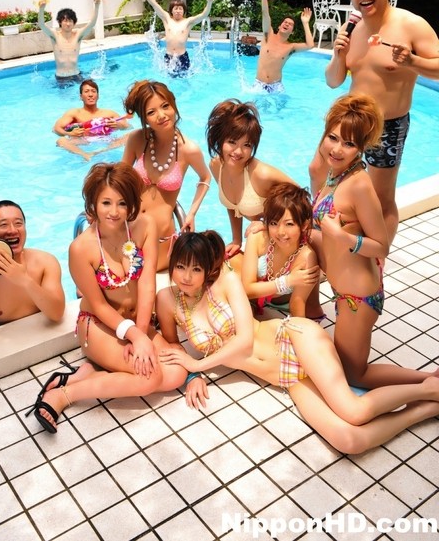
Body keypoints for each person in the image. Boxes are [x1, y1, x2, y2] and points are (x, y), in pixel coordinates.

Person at [156, 231, 439, 455]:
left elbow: (243, 341)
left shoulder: (225, 282)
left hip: (293, 338)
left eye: (195, 269)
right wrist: (193, 375)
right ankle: (427, 408)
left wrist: (199, 363)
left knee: (354, 410)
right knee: (349, 441)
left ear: (207, 269)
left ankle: (428, 387)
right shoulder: (168, 300)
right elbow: (172, 345)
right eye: (180, 267)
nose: (186, 276)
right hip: (286, 376)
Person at [27, 162, 187, 433]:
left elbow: (147, 282)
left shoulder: (144, 226)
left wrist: (141, 330)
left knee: (177, 372)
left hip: (136, 320)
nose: (114, 212)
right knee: (150, 378)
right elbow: (99, 305)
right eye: (106, 203)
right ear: (93, 204)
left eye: (122, 203)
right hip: (98, 325)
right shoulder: (81, 249)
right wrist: (135, 337)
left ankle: (90, 372)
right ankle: (63, 396)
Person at [309, 0, 439, 243]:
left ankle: (378, 255)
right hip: (349, 120)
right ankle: (320, 230)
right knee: (317, 169)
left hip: (387, 124)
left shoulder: (411, 24)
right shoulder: (350, 27)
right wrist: (337, 54)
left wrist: (412, 61)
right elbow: (333, 81)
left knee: (380, 197)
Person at [311, 94, 435, 388]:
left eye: (349, 144)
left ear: (362, 148)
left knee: (355, 375)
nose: (338, 149)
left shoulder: (359, 186)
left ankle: (430, 382)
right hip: (344, 291)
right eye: (333, 138)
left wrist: (342, 237)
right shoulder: (334, 173)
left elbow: (381, 246)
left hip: (359, 298)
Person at [122, 80, 211, 271]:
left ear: (173, 105)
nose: (161, 115)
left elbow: (205, 178)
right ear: (144, 118)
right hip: (127, 231)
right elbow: (118, 180)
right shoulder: (137, 139)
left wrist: (191, 213)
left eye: (165, 106)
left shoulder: (188, 149)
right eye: (151, 112)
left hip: (160, 240)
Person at [0, 200, 65, 344]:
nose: (13, 230)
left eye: (18, 223)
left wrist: (25, 280)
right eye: (3, 224)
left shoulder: (45, 263)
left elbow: (57, 314)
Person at [206, 99, 294, 265]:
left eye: (246, 145)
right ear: (219, 140)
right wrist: (237, 240)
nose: (238, 151)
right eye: (232, 142)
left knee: (252, 240)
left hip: (283, 239)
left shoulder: (261, 174)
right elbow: (232, 205)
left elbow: (301, 197)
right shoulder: (216, 166)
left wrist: (267, 225)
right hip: (264, 240)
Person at [242, 182, 322, 319]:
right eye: (274, 223)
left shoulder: (307, 257)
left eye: (289, 224)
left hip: (283, 303)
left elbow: (297, 303)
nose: (280, 232)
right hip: (250, 297)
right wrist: (288, 281)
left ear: (304, 225)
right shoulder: (257, 237)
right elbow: (247, 289)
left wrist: (299, 335)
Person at [137, 0, 214, 75]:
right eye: (175, 9)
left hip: (182, 57)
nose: (178, 11)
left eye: (180, 9)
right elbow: (154, 4)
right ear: (171, 11)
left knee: (184, 81)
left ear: (184, 11)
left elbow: (203, 15)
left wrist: (209, 2)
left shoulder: (188, 22)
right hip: (168, 57)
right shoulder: (167, 19)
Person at [53, 78, 132, 161]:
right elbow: (56, 128)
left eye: (93, 91)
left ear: (98, 96)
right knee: (61, 140)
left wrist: (118, 125)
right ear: (81, 96)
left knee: (131, 135)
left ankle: (98, 152)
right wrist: (69, 133)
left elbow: (128, 126)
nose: (90, 94)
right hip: (83, 140)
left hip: (106, 140)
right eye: (86, 91)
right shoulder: (74, 113)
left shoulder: (108, 113)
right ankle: (85, 154)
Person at [253, 0, 314, 93]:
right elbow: (265, 13)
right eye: (285, 22)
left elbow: (310, 45)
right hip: (259, 85)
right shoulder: (268, 35)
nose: (286, 24)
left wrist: (305, 22)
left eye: (290, 24)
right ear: (279, 26)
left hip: (276, 87)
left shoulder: (291, 47)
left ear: (292, 32)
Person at [38, 0, 101, 83]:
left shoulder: (78, 35)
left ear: (74, 23)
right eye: (65, 21)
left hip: (77, 75)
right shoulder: (55, 35)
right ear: (60, 22)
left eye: (70, 21)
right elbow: (42, 25)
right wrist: (41, 9)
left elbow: (92, 24)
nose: (68, 24)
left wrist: (97, 6)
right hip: (61, 77)